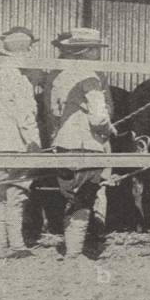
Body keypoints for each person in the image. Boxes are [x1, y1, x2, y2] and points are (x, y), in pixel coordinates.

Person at [0, 27, 42, 258]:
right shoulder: (20, 80)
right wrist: (35, 145)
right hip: (16, 144)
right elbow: (25, 117)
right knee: (16, 193)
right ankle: (17, 245)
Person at [47, 28, 113, 259]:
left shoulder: (59, 77)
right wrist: (108, 128)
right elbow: (99, 117)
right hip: (87, 145)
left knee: (70, 197)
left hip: (63, 144)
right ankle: (75, 254)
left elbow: (54, 112)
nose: (98, 53)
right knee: (85, 199)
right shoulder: (91, 77)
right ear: (88, 51)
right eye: (96, 49)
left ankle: (71, 249)